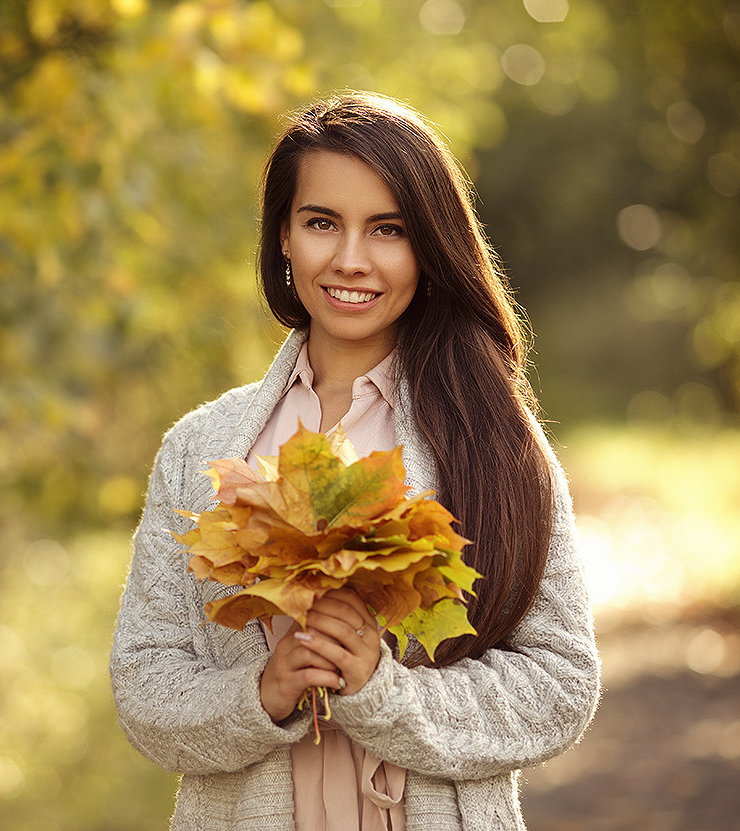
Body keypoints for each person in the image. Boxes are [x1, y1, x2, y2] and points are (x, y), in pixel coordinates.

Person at [109, 91, 599, 831]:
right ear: (282, 235)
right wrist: (260, 694)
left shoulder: (495, 440)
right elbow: (146, 685)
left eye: (387, 229)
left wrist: (384, 691)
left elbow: (559, 686)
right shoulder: (200, 449)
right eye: (320, 223)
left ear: (427, 245)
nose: (349, 260)